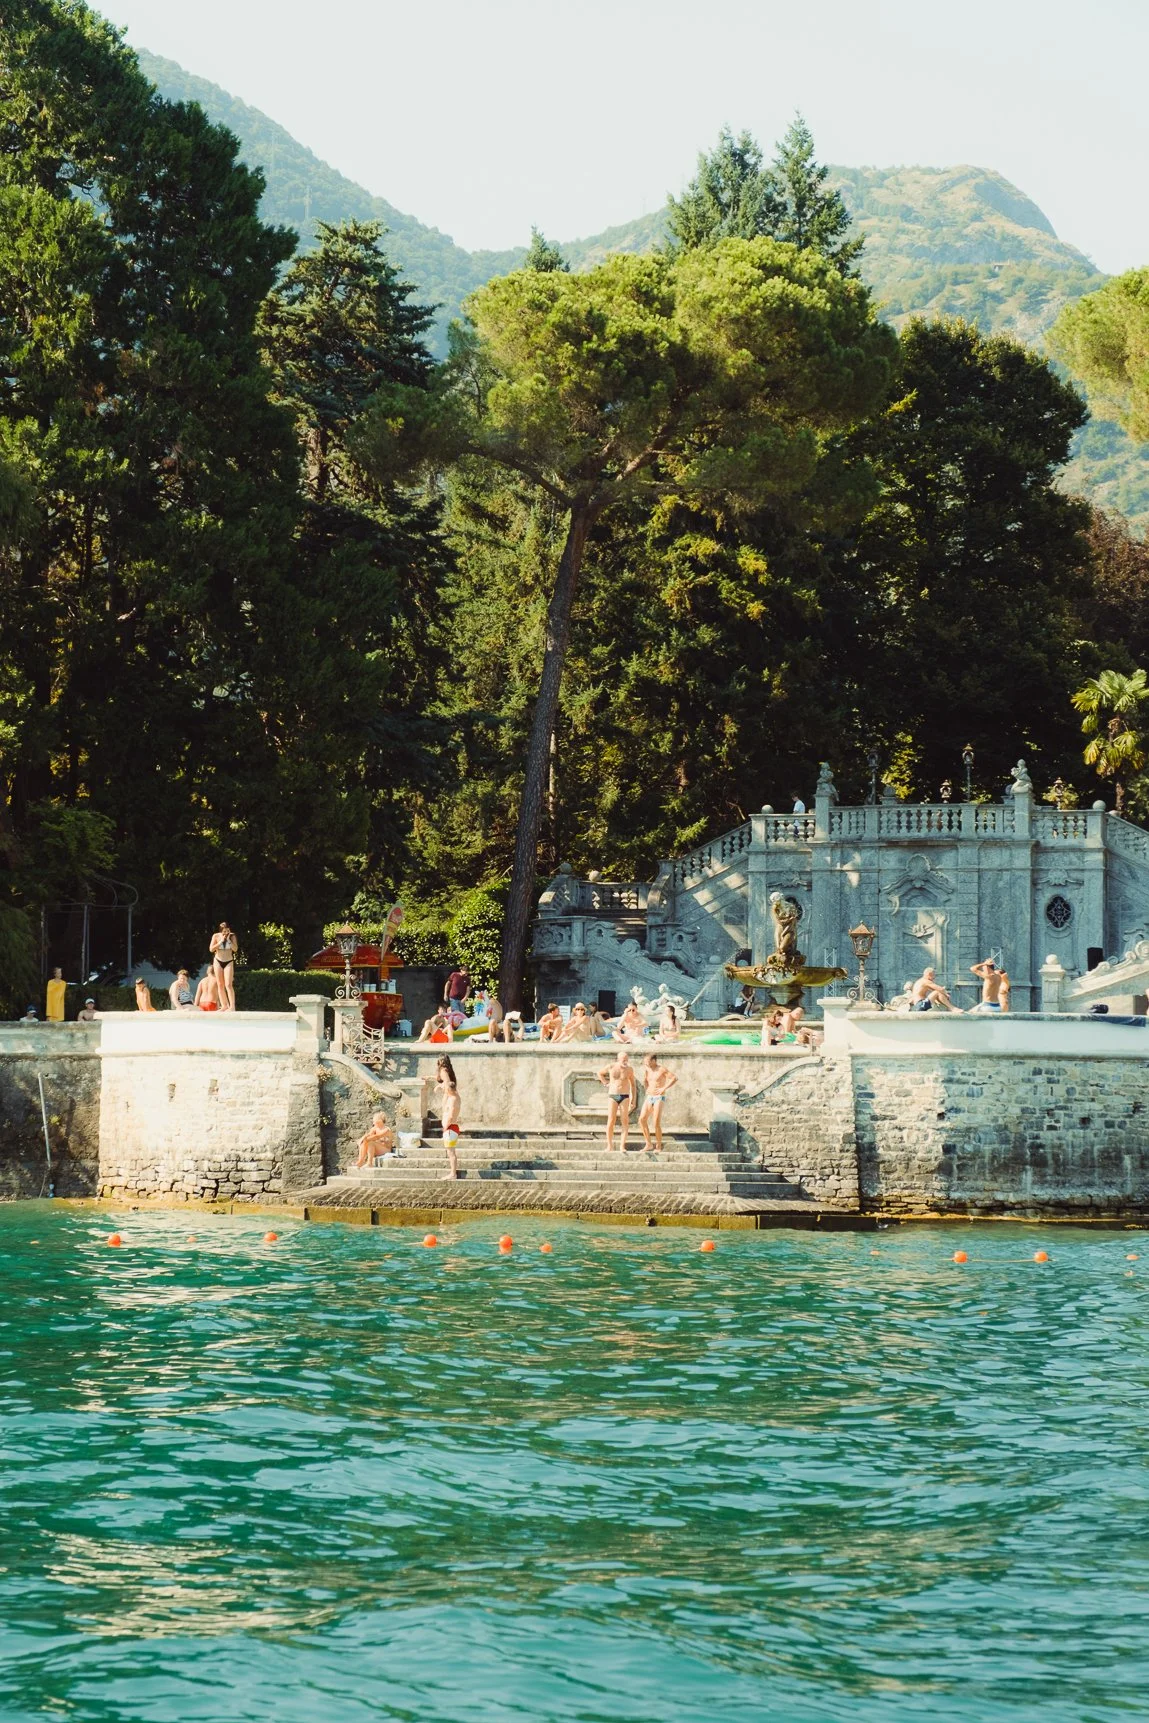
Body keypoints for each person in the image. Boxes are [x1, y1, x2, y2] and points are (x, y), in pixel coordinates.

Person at [597, 1050, 637, 1152]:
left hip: (625, 1095)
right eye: (623, 1059)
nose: (625, 1061)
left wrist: (634, 1099)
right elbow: (600, 1073)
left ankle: (622, 1146)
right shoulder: (611, 1066)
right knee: (611, 1120)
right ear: (618, 1059)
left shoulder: (629, 1069)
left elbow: (633, 1084)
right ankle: (609, 1145)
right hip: (613, 1095)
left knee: (625, 1120)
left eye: (627, 1059)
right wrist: (605, 1083)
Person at [638, 1053, 678, 1153]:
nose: (646, 1063)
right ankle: (648, 1144)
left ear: (654, 1060)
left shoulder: (661, 1069)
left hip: (659, 1097)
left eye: (648, 1061)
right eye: (645, 1062)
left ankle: (658, 1145)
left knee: (656, 1121)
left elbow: (674, 1078)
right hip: (650, 1096)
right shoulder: (647, 1070)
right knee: (642, 1119)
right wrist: (646, 1088)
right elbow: (646, 1080)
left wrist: (663, 1088)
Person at [436, 1056, 462, 1180]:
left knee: (451, 1152)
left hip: (450, 1128)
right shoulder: (456, 1097)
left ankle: (453, 1173)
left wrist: (445, 1127)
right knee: (450, 1151)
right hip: (452, 1128)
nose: (444, 1089)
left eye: (446, 1089)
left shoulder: (452, 1100)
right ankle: (453, 1172)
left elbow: (451, 1115)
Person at [209, 922, 237, 1012]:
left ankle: (232, 1006)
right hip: (218, 961)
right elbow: (211, 949)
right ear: (221, 931)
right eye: (224, 931)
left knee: (228, 984)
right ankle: (224, 1005)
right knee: (220, 984)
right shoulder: (216, 936)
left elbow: (235, 949)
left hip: (228, 961)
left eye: (228, 931)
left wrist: (228, 940)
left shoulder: (232, 936)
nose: (226, 933)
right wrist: (221, 941)